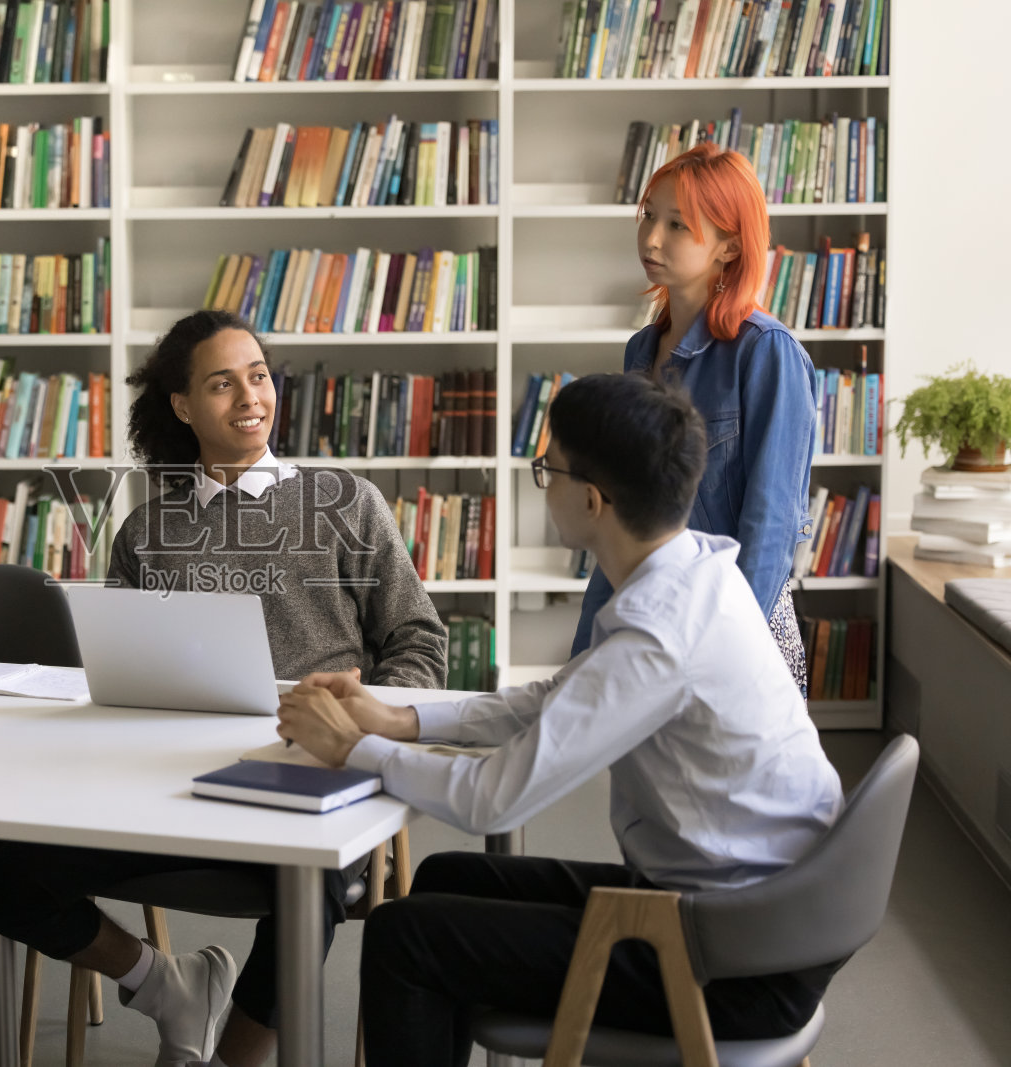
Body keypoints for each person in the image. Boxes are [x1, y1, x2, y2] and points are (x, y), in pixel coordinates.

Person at [277, 374, 844, 1067]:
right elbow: (553, 699)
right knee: (449, 877)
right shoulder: (698, 568)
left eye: (547, 466)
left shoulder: (656, 636)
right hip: (755, 909)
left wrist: (350, 746)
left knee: (405, 937)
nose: (540, 482)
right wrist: (399, 717)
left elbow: (494, 796)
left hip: (731, 958)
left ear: (591, 498)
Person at [0, 309, 447, 1067]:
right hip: (161, 787)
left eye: (258, 376)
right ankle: (166, 985)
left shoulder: (347, 503)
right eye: (222, 384)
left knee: (308, 889)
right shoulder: (146, 531)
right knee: (6, 881)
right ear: (184, 406)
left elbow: (419, 640)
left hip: (303, 781)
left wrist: (369, 718)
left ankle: (233, 1061)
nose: (250, 396)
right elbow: (117, 674)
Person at [572, 142, 818, 695]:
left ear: (730, 246)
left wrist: (726, 651)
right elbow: (624, 518)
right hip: (650, 619)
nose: (652, 237)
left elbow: (771, 525)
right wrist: (586, 650)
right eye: (649, 216)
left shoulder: (766, 352)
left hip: (736, 634)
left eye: (679, 225)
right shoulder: (641, 350)